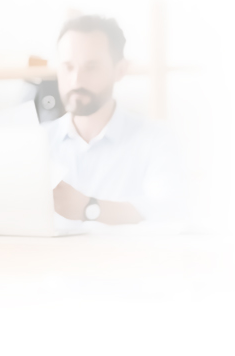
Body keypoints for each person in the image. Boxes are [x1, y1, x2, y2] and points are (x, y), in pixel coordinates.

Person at [45, 15, 184, 225]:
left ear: (120, 70)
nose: (76, 80)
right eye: (68, 67)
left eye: (91, 67)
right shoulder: (36, 141)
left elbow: (168, 214)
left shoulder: (156, 139)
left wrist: (88, 208)